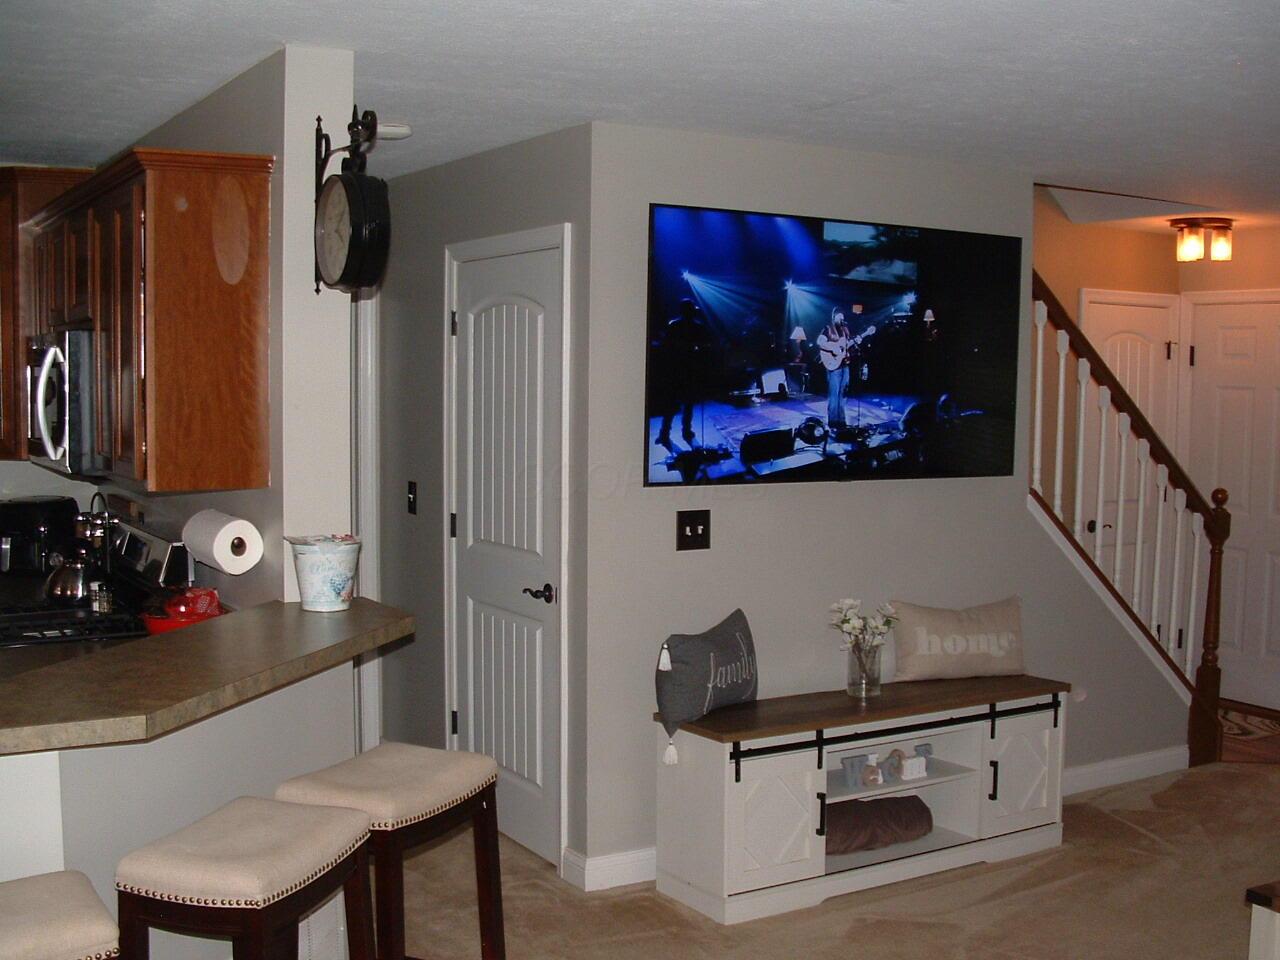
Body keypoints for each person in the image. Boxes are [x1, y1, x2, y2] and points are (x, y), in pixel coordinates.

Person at [655, 298, 712, 449]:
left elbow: (665, 346)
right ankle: (684, 432)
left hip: (679, 369)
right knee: (685, 403)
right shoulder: (693, 326)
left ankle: (666, 434)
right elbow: (705, 346)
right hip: (684, 369)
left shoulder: (675, 325)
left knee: (675, 404)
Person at [816, 307, 852, 427]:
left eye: (842, 316)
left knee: (843, 394)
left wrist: (851, 346)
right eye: (839, 316)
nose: (841, 318)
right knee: (834, 395)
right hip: (833, 366)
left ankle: (841, 421)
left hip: (845, 365)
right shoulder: (828, 329)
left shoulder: (846, 330)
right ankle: (833, 422)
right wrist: (834, 348)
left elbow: (846, 346)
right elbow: (820, 342)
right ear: (833, 317)